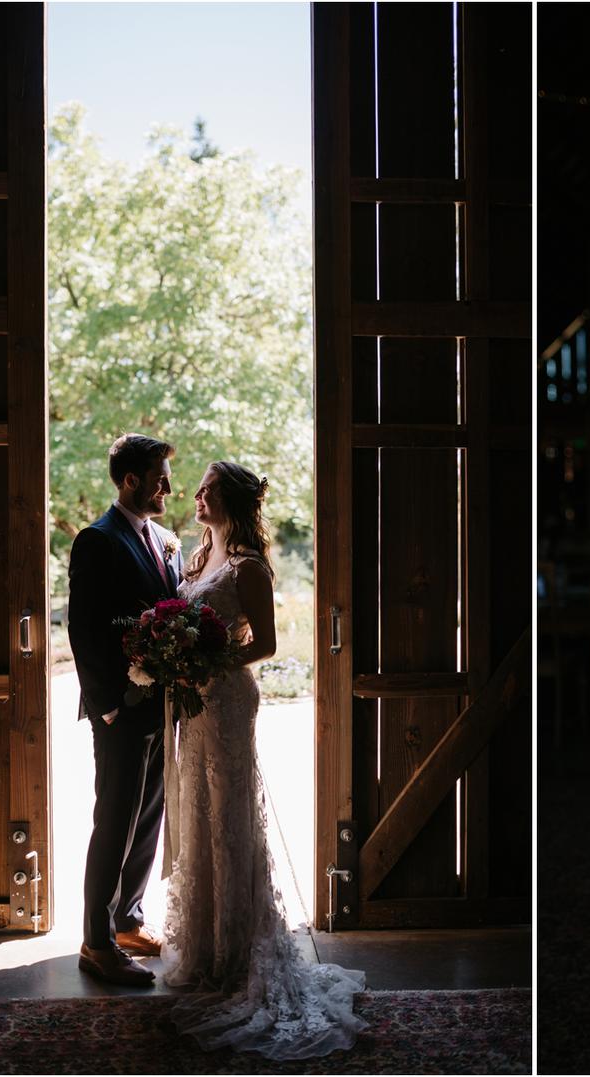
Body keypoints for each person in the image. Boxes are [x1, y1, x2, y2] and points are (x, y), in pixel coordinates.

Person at [161, 460, 366, 1060]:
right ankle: (203, 949)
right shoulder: (198, 561)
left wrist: (207, 664)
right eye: (198, 489)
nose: (197, 497)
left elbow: (268, 643)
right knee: (198, 817)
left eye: (208, 490)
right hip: (193, 704)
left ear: (232, 502)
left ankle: (237, 952)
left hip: (226, 701)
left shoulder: (250, 567)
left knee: (229, 819)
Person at [68, 433, 182, 986]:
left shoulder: (165, 540)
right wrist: (108, 707)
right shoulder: (97, 540)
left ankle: (128, 919)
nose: (169, 487)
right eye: (161, 476)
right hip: (120, 709)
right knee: (114, 819)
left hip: (161, 706)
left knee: (148, 814)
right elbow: (84, 631)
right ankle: (96, 941)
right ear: (131, 480)